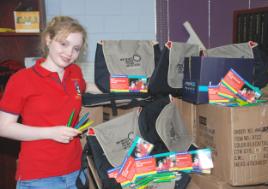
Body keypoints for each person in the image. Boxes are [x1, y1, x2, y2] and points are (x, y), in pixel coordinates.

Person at [0, 16, 88, 189]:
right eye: (63, 44)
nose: (69, 53)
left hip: (76, 171)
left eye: (76, 48)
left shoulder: (75, 73)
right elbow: (3, 126)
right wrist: (50, 133)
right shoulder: (22, 79)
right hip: (40, 177)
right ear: (48, 39)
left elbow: (84, 88)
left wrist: (129, 88)